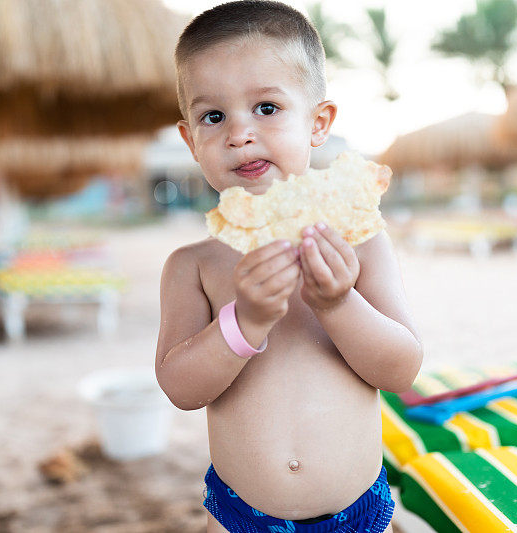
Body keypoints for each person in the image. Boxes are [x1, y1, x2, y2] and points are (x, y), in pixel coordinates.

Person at [155, 2, 423, 532]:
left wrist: (338, 303)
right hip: (239, 519)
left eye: (267, 108)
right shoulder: (193, 266)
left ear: (318, 122)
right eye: (214, 116)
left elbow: (401, 370)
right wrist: (246, 320)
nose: (239, 133)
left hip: (358, 515)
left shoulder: (359, 242)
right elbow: (182, 390)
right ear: (190, 141)